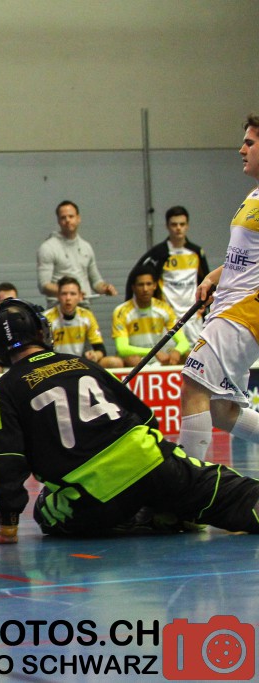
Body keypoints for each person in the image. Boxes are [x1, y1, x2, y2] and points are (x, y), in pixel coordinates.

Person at [0, 298, 259, 544]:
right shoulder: (83, 364)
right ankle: (171, 506)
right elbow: (147, 418)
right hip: (151, 461)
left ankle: (137, 517)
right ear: (42, 331)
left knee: (45, 510)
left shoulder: (1, 392)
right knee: (227, 493)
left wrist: (8, 529)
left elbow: (4, 461)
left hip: (95, 494)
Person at [179, 114, 259, 461]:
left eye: (250, 143)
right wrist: (213, 278)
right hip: (229, 306)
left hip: (245, 311)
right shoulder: (253, 196)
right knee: (220, 410)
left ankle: (187, 486)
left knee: (193, 384)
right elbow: (245, 260)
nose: (241, 149)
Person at [124, 205, 210, 345]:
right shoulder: (158, 253)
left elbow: (207, 281)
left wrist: (205, 305)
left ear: (187, 226)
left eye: (182, 224)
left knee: (197, 355)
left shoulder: (196, 252)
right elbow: (135, 277)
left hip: (193, 317)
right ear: (167, 226)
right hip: (169, 318)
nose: (178, 228)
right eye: (174, 224)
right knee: (171, 355)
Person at [36, 200, 118, 308]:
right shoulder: (48, 248)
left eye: (71, 216)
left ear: (78, 218)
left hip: (84, 309)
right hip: (58, 309)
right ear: (58, 221)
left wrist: (105, 288)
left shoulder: (86, 247)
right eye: (63, 217)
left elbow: (96, 281)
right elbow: (44, 286)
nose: (67, 220)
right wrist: (71, 293)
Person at [112, 264, 190, 367]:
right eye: (141, 285)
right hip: (137, 361)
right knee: (129, 358)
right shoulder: (121, 311)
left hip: (162, 360)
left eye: (149, 284)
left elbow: (184, 342)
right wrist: (153, 352)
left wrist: (177, 351)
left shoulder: (165, 309)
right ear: (133, 287)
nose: (145, 289)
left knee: (188, 355)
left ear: (155, 286)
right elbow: (122, 348)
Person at [44, 276, 122, 369]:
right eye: (64, 294)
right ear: (58, 296)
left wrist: (94, 355)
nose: (68, 298)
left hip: (81, 364)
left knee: (114, 362)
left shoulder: (87, 316)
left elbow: (101, 350)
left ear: (80, 296)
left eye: (73, 294)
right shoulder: (47, 318)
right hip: (55, 366)